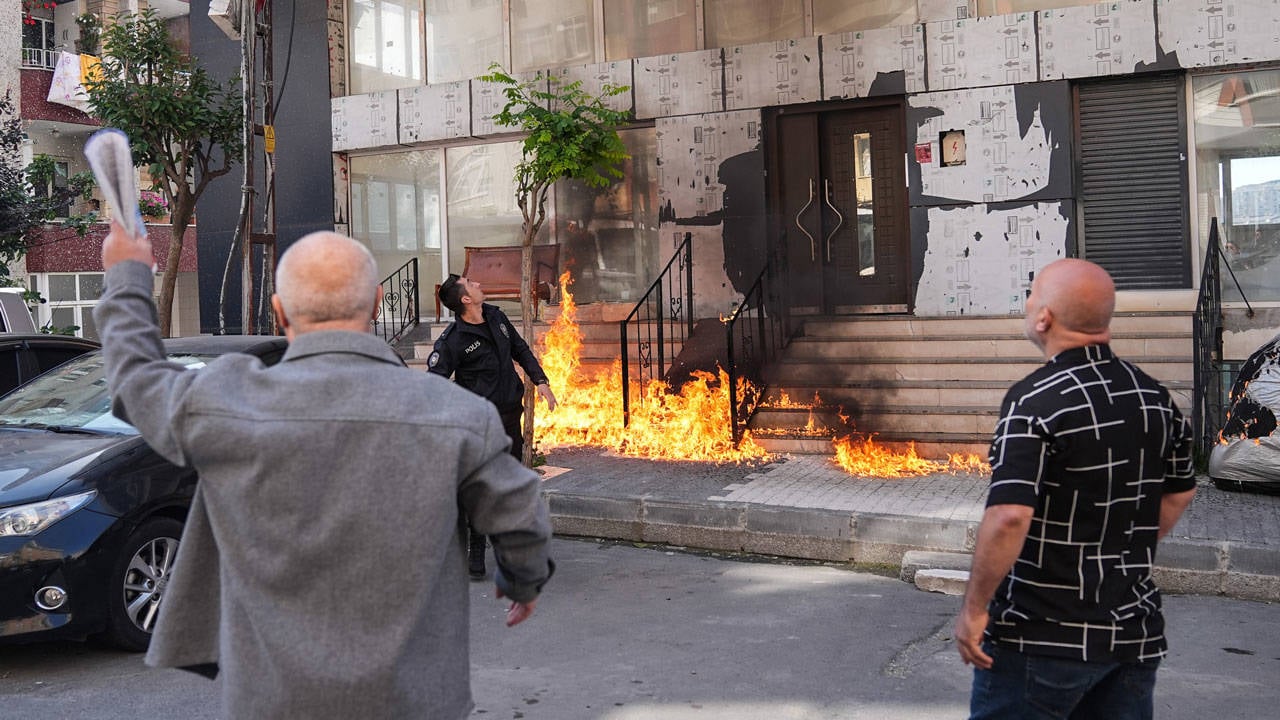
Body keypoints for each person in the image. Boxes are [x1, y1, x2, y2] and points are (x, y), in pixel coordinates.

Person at [94, 223, 554, 720]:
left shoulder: (227, 402)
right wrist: (522, 578)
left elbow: (135, 379)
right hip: (416, 701)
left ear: (279, 311)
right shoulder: (458, 414)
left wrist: (127, 276)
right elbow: (519, 510)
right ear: (378, 302)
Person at [954, 258, 1197, 720]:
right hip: (1130, 635)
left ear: (1044, 317)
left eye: (1031, 296)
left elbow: (1009, 515)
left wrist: (974, 609)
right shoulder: (1154, 398)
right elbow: (1179, 492)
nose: (1027, 305)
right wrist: (1112, 549)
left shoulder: (1033, 401)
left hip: (1039, 638)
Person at [430, 273, 557, 580]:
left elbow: (520, 348)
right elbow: (434, 385)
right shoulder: (453, 340)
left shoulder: (495, 316)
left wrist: (540, 380)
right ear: (465, 299)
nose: (476, 283)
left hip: (511, 414)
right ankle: (476, 548)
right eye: (470, 283)